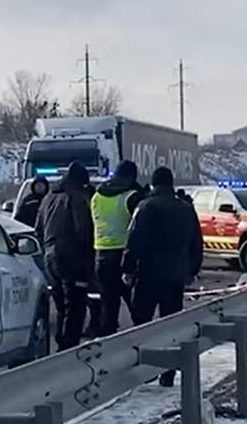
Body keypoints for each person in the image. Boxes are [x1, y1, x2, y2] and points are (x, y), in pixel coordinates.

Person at [124, 166, 203, 385]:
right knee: (171, 323)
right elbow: (196, 241)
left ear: (153, 184)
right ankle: (168, 372)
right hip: (175, 274)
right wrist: (193, 269)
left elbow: (134, 240)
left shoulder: (145, 207)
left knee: (142, 321)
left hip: (148, 273)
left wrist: (127, 268)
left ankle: (146, 366)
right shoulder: (186, 208)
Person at [34, 162, 95, 350]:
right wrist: (89, 259)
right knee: (76, 306)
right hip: (72, 259)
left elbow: (38, 229)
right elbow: (83, 230)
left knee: (60, 305)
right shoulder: (76, 198)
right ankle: (69, 349)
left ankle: (60, 343)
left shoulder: (48, 198)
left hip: (50, 258)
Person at [89, 160, 145, 336]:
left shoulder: (97, 196)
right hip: (124, 256)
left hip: (101, 255)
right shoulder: (132, 196)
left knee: (109, 306)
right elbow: (140, 229)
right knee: (137, 307)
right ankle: (142, 342)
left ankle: (108, 346)